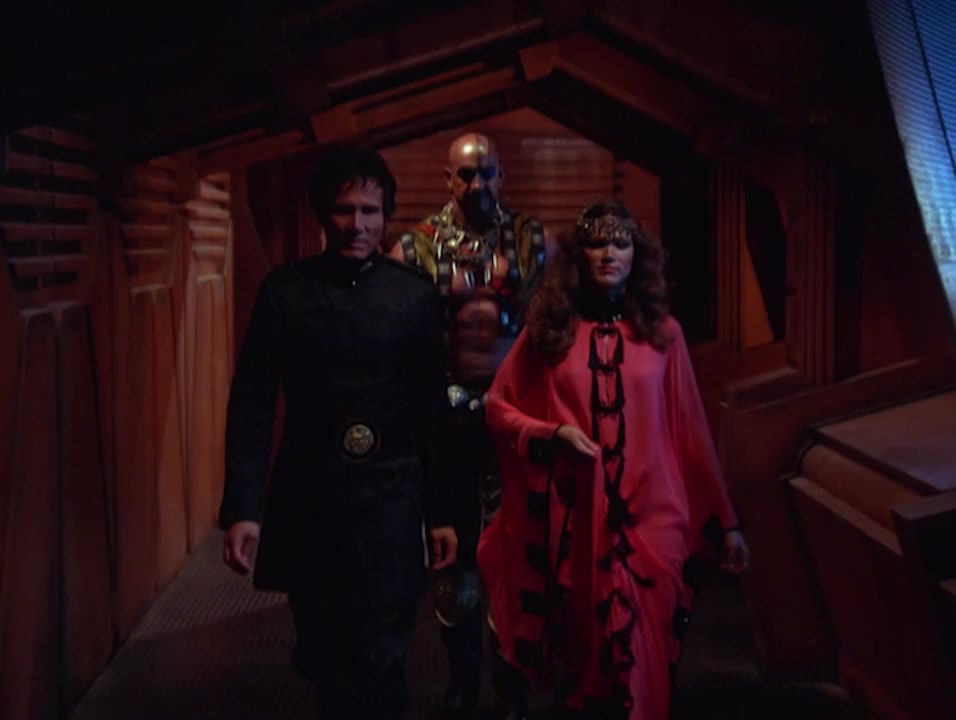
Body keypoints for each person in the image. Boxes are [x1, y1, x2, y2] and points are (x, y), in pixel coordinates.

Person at [478, 200, 750, 720]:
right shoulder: (549, 332)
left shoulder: (664, 334)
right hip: (576, 523)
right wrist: (552, 434)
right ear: (578, 255)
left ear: (636, 256)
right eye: (598, 243)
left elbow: (692, 432)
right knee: (585, 661)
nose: (609, 253)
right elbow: (499, 407)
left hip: (655, 519)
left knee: (646, 662)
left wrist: (727, 521)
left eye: (620, 243)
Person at [218, 143, 458, 720]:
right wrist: (243, 508)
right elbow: (252, 403)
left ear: (386, 215)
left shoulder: (414, 296)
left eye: (370, 211)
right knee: (324, 652)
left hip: (391, 495)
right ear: (323, 213)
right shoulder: (285, 292)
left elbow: (432, 411)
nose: (358, 225)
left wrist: (442, 512)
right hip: (311, 493)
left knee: (382, 652)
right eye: (345, 210)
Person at [390, 132, 546, 716]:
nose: (477, 184)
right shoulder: (415, 246)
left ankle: (512, 684)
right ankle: (460, 679)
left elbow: (549, 322)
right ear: (447, 179)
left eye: (486, 173)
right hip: (445, 419)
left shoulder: (531, 239)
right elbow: (400, 332)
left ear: (502, 176)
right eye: (465, 174)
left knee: (515, 554)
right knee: (451, 551)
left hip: (512, 416)